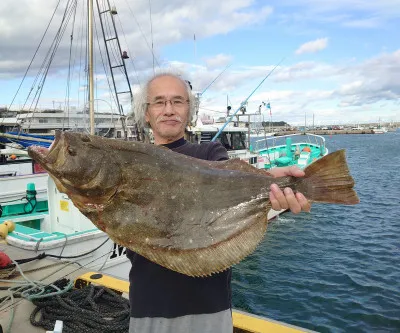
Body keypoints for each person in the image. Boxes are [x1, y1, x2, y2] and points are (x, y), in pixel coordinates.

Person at [128, 72, 311, 333]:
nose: (169, 110)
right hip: (148, 305)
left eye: (177, 101)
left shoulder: (209, 153)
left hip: (209, 307)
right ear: (146, 113)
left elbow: (227, 179)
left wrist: (270, 182)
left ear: (189, 110)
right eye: (159, 102)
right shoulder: (134, 160)